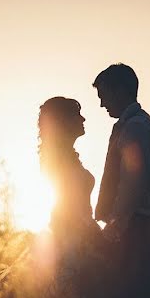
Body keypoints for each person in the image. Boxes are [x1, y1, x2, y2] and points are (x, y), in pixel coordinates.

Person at [92, 63, 150, 285]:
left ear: (120, 91)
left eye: (104, 95)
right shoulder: (128, 126)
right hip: (130, 225)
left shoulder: (136, 127)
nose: (102, 104)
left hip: (134, 228)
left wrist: (115, 228)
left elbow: (133, 182)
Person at [37, 96, 102, 271]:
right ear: (64, 122)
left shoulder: (67, 156)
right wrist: (91, 230)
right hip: (71, 239)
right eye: (77, 115)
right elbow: (67, 204)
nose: (83, 119)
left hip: (80, 235)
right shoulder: (57, 159)